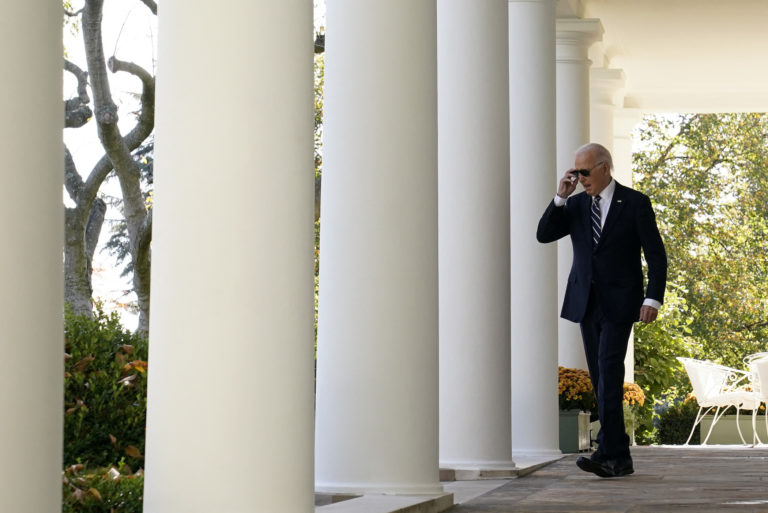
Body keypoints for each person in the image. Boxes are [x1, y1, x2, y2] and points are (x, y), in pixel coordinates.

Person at [536, 142, 667, 478]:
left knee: (609, 371)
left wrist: (652, 299)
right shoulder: (577, 205)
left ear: (604, 167)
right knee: (600, 377)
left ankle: (609, 452)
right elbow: (544, 234)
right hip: (586, 302)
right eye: (575, 172)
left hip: (622, 303)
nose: (579, 178)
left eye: (584, 172)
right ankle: (617, 456)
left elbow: (656, 255)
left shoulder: (635, 203)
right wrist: (560, 197)